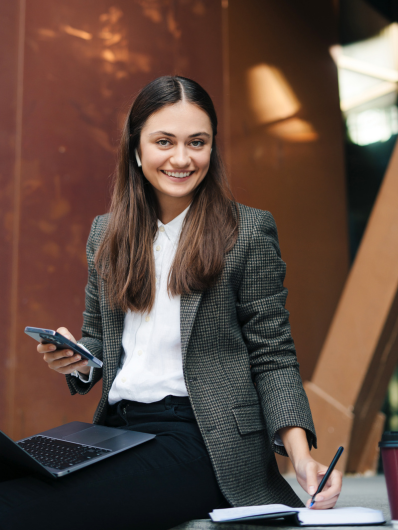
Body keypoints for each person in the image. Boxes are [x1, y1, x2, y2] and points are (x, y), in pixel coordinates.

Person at [0, 76, 342, 530]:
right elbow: (98, 340)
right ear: (137, 150)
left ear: (211, 148)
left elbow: (273, 354)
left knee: (17, 508)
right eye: (164, 141)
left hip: (204, 441)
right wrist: (78, 359)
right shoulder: (106, 234)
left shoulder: (247, 233)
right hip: (116, 432)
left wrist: (301, 457)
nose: (182, 158)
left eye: (197, 142)